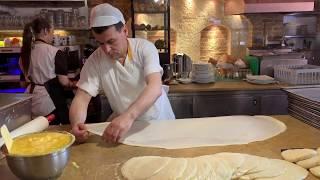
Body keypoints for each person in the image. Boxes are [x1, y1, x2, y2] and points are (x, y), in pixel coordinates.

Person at [70, 3, 175, 143]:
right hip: (125, 128)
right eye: (100, 43)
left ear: (125, 31)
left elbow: (155, 87)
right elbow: (81, 98)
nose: (106, 49)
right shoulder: (95, 60)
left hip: (158, 122)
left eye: (111, 41)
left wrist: (128, 116)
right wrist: (77, 124)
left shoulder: (144, 48)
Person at [19, 17, 76, 124]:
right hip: (50, 102)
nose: (53, 36)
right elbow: (64, 82)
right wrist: (74, 84)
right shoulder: (55, 52)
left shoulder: (24, 54)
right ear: (45, 31)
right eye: (52, 32)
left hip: (30, 101)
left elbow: (23, 84)